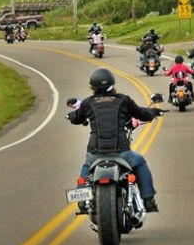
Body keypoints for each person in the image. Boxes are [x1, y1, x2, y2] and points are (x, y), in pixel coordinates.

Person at [66, 68, 164, 212]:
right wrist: (152, 112)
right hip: (121, 152)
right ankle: (148, 199)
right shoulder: (123, 100)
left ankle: (81, 199)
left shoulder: (88, 103)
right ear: (112, 83)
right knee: (140, 161)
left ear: (92, 86)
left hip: (96, 153)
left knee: (87, 166)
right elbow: (141, 113)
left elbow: (77, 117)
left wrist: (71, 116)